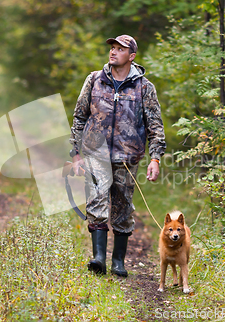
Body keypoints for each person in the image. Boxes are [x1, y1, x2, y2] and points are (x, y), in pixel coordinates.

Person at [69, 34, 166, 277]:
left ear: (131, 56)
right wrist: (75, 152)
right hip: (95, 154)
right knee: (97, 203)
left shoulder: (144, 87)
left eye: (119, 49)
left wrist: (155, 158)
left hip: (127, 157)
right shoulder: (94, 80)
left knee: (123, 209)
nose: (113, 52)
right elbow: (79, 117)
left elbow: (155, 126)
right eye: (112, 48)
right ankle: (99, 258)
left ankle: (118, 262)